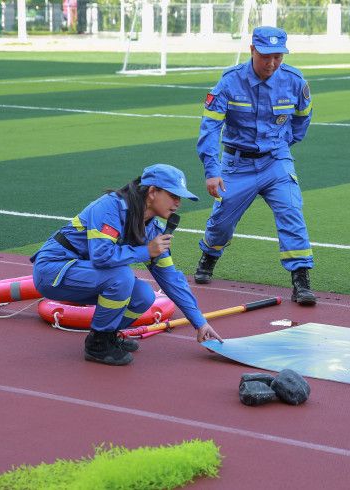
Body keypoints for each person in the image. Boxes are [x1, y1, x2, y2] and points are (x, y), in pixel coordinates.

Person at [31, 164, 224, 366]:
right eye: (173, 195)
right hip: (52, 271)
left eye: (180, 198)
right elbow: (101, 256)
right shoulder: (109, 208)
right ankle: (98, 345)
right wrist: (146, 251)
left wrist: (200, 323)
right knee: (121, 276)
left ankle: (107, 334)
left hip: (83, 273)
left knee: (144, 295)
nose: (178, 203)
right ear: (152, 192)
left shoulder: (153, 229)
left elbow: (171, 278)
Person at [195, 26, 317, 306]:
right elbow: (210, 128)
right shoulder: (229, 82)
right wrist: (212, 171)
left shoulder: (295, 81)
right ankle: (210, 255)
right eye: (265, 56)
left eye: (278, 56)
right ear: (252, 50)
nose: (272, 63)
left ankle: (301, 279)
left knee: (291, 211)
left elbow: (302, 118)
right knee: (222, 222)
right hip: (237, 165)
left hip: (276, 161)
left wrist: (283, 144)